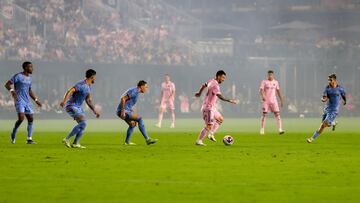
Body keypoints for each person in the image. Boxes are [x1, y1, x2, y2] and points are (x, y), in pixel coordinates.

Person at [194, 70, 238, 146]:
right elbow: (220, 96)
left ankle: (211, 134)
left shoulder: (211, 80)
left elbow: (204, 85)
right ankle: (199, 141)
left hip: (212, 107)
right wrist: (230, 100)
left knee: (220, 119)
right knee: (209, 125)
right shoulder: (215, 85)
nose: (223, 79)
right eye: (223, 77)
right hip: (208, 108)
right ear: (218, 76)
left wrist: (199, 93)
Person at [60, 69, 100, 149]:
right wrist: (64, 101)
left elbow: (88, 100)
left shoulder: (89, 87)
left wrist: (94, 111)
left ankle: (75, 143)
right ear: (92, 77)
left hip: (78, 107)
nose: (95, 78)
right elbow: (70, 91)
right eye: (95, 77)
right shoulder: (81, 85)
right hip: (71, 105)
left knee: (83, 125)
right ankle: (67, 139)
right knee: (83, 123)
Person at [4, 61, 42, 144]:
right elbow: (7, 84)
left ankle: (29, 139)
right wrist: (12, 90)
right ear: (25, 68)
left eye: (32, 66)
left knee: (31, 118)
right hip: (19, 100)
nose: (32, 68)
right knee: (21, 118)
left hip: (27, 101)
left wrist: (36, 100)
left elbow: (29, 90)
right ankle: (13, 132)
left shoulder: (30, 78)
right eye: (30, 67)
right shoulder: (18, 76)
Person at [307, 73, 346, 143]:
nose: (329, 81)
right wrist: (323, 99)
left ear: (334, 80)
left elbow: (343, 95)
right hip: (327, 109)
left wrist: (345, 101)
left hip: (334, 110)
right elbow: (324, 97)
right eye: (328, 80)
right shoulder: (327, 88)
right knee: (323, 125)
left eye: (330, 80)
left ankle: (311, 139)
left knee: (323, 124)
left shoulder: (340, 88)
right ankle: (333, 123)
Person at [116, 80, 157, 145]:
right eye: (146, 87)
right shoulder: (135, 91)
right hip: (123, 111)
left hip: (123, 110)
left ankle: (127, 142)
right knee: (139, 119)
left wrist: (130, 109)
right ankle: (147, 139)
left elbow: (127, 101)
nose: (147, 89)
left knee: (132, 125)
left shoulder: (135, 91)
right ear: (142, 86)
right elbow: (123, 99)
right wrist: (123, 111)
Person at [259, 70, 285, 135]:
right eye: (269, 75)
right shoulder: (264, 82)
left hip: (274, 101)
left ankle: (280, 129)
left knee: (277, 115)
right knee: (264, 114)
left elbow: (278, 91)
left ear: (273, 75)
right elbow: (261, 90)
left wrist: (281, 99)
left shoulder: (276, 82)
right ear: (267, 75)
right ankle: (262, 129)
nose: (270, 76)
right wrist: (262, 96)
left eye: (271, 75)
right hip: (266, 101)